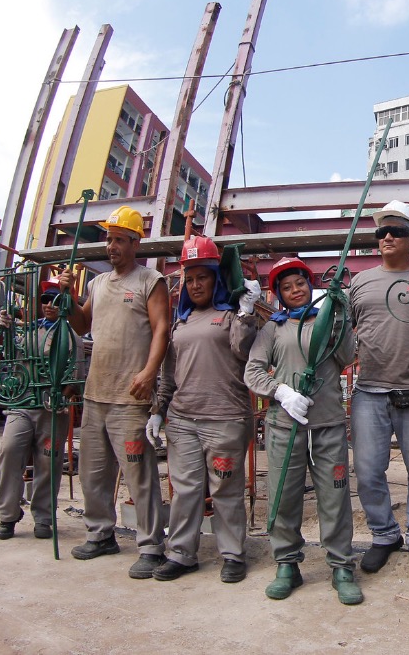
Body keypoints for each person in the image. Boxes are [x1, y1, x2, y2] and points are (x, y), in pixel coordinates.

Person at [57, 206, 169, 579]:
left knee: (139, 475)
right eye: (109, 238)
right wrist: (67, 297)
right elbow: (81, 323)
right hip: (96, 394)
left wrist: (150, 371)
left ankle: (151, 545)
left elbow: (161, 329)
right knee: (93, 472)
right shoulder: (98, 284)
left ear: (136, 243)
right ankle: (100, 534)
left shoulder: (150, 280)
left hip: (130, 398)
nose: (112, 246)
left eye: (120, 239)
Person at [244, 256, 363, 604]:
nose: (295, 290)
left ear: (310, 286)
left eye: (299, 283)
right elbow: (253, 371)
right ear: (278, 293)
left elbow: (346, 357)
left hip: (326, 425)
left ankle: (341, 565)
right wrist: (280, 391)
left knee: (335, 497)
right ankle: (287, 564)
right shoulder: (273, 329)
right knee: (283, 497)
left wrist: (340, 315)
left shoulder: (327, 321)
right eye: (286, 286)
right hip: (285, 426)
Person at [148, 236, 261, 583]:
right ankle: (181, 553)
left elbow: (244, 352)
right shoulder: (180, 322)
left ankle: (232, 554)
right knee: (185, 490)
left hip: (225, 419)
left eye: (203, 277)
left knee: (226, 489)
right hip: (182, 420)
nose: (196, 285)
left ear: (217, 278)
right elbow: (170, 373)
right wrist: (158, 410)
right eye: (190, 278)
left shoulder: (230, 316)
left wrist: (246, 312)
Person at [349, 201, 409, 580]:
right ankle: (385, 535)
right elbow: (343, 334)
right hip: (369, 391)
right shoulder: (359, 281)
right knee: (368, 471)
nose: (387, 236)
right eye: (381, 231)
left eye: (397, 230)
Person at [0, 276, 82, 540]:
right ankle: (7, 515)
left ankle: (43, 517)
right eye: (45, 299)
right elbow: (8, 353)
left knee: (48, 463)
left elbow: (75, 378)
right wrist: (6, 330)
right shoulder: (29, 331)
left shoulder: (71, 336)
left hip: (52, 409)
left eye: (55, 300)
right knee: (9, 451)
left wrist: (60, 398)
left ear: (64, 303)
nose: (49, 305)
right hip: (22, 403)